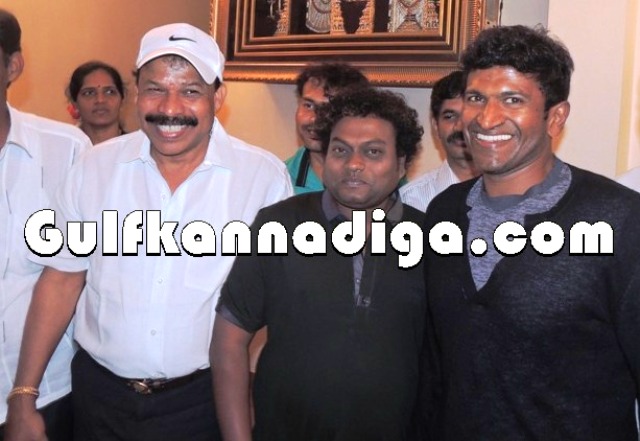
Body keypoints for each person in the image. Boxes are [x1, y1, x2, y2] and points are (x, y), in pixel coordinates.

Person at [6, 22, 292, 441]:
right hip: (99, 398)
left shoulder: (262, 178)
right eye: (155, 89)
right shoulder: (94, 167)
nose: (170, 108)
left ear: (218, 97)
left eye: (190, 91)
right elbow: (61, 279)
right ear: (137, 93)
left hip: (204, 401)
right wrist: (23, 395)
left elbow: (269, 306)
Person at [420, 25, 640, 440]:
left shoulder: (621, 220)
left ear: (555, 117)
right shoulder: (443, 212)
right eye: (475, 98)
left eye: (513, 100)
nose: (487, 118)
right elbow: (435, 367)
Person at [212, 87, 425, 441]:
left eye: (373, 152)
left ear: (402, 164)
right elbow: (228, 342)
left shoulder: (430, 239)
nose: (354, 164)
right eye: (340, 150)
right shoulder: (278, 225)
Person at [0, 8, 91, 440]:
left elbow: (80, 274)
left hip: (51, 393)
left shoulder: (68, 150)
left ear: (13, 66)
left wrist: (23, 396)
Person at [400, 70, 478, 212]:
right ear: (435, 126)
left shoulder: (513, 193)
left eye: (469, 116)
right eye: (449, 116)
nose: (459, 126)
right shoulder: (410, 200)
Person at [285, 62, 369, 194]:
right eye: (308, 106)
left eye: (329, 109)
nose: (314, 119)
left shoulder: (380, 178)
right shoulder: (281, 179)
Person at [66, 60, 126, 144]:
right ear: (74, 103)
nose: (100, 100)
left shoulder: (139, 148)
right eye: (89, 93)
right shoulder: (64, 150)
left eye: (109, 92)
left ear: (122, 99)